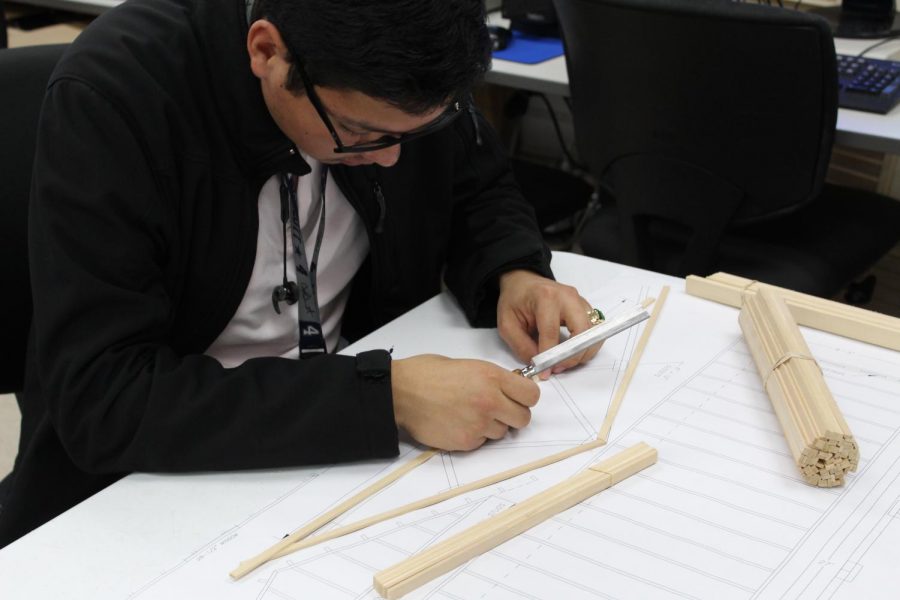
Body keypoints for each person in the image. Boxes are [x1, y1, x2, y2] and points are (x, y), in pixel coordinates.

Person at [0, 0, 600, 548]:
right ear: (267, 52)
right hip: (157, 477)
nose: (392, 157)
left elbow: (478, 185)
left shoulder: (406, 73)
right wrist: (384, 396)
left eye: (417, 132)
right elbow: (104, 398)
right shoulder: (121, 92)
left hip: (339, 454)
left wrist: (513, 271)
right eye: (362, 133)